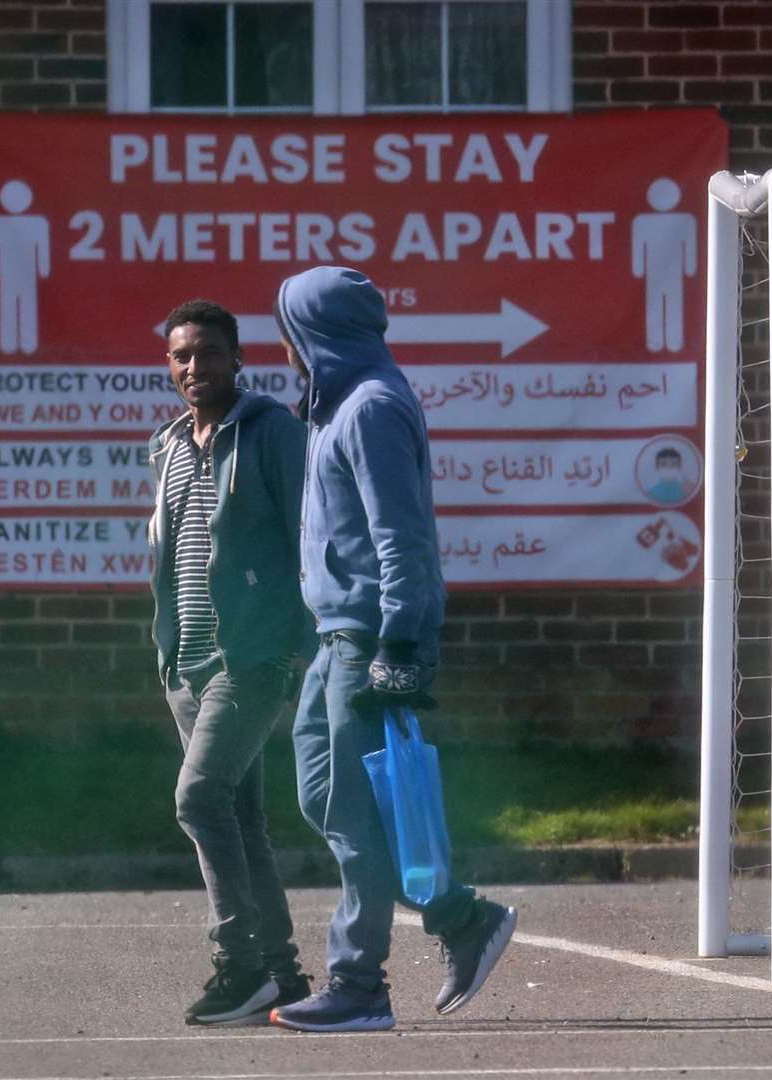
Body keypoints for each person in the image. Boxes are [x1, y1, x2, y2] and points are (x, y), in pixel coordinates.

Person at [266, 266, 516, 1034]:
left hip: (372, 636)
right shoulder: (333, 408)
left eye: (287, 329)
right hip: (334, 635)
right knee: (324, 795)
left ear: (314, 333)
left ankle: (358, 984)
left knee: (352, 808)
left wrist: (400, 643)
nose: (282, 347)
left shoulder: (372, 407)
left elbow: (401, 538)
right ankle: (457, 916)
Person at [147, 299, 315, 1026]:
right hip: (185, 664)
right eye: (182, 356)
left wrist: (302, 639)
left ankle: (239, 962)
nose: (194, 368)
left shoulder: (272, 432)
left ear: (236, 358)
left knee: (199, 799)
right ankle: (282, 974)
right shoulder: (172, 444)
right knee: (241, 817)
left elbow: (310, 534)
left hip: (251, 655)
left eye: (208, 353)